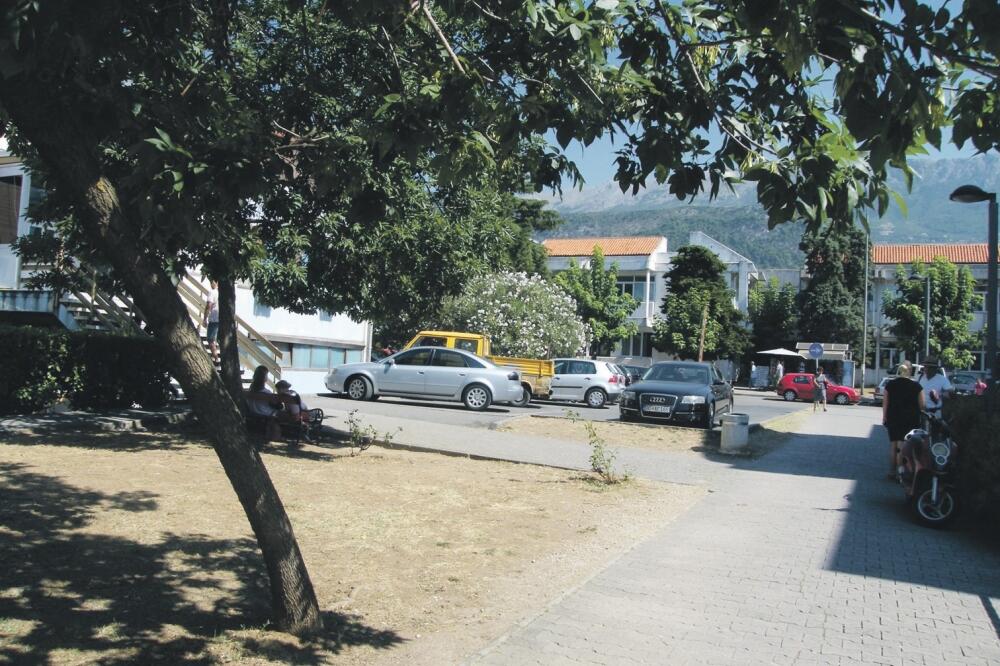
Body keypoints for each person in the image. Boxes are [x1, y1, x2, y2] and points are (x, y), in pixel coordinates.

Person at [882, 363, 925, 480]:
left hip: (893, 418)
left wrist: (884, 417)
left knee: (893, 445)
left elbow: (885, 403)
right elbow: (922, 406)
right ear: (909, 372)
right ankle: (900, 473)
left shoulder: (890, 385)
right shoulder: (917, 386)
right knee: (902, 446)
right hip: (910, 419)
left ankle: (892, 471)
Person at [246, 365, 282, 439]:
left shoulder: (250, 390)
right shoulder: (266, 392)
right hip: (265, 414)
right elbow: (277, 406)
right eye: (266, 375)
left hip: (253, 413)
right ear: (264, 378)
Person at [202, 280, 220, 365]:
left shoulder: (212, 292)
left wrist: (205, 318)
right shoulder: (221, 293)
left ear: (216, 283)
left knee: (210, 339)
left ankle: (216, 358)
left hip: (214, 319)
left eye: (212, 282)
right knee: (215, 339)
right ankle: (214, 356)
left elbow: (209, 305)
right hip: (221, 319)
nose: (211, 283)